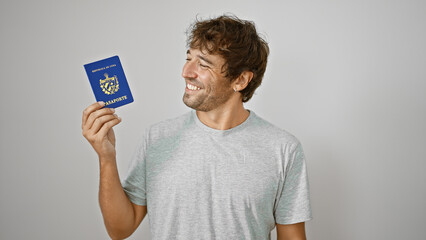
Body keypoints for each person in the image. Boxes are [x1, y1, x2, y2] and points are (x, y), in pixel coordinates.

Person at [82, 14, 312, 240]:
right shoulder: (157, 138)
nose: (186, 72)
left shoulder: (283, 149)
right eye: (188, 58)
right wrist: (106, 157)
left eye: (203, 64)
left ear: (240, 80)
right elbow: (120, 229)